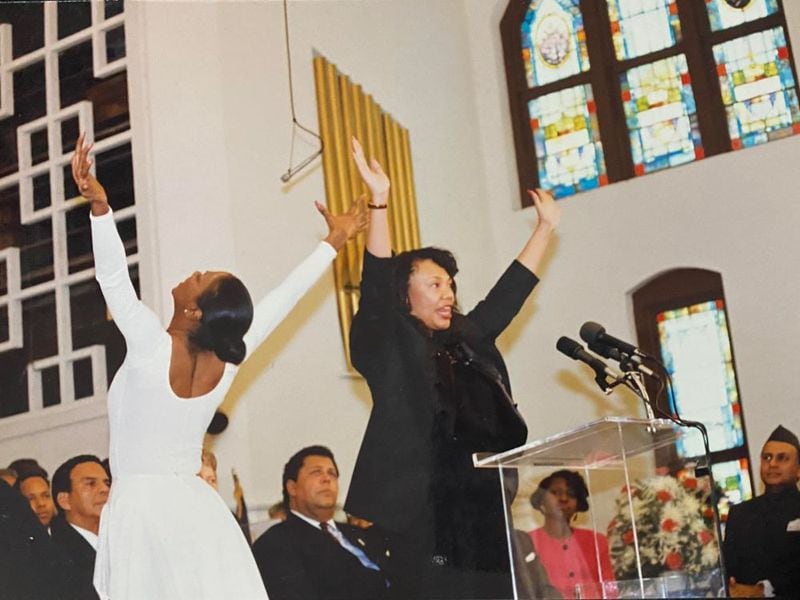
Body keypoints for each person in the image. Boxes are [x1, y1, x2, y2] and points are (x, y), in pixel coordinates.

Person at [71, 132, 367, 600]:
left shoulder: (151, 345)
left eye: (201, 279)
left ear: (195, 312)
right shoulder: (228, 361)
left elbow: (112, 277)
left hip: (143, 512)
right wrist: (333, 241)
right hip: (196, 512)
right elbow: (284, 299)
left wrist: (101, 207)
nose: (193, 273)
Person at [344, 138, 560, 599]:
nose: (448, 292)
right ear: (405, 296)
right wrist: (379, 201)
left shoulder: (466, 339)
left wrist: (544, 229)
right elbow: (377, 285)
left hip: (481, 509)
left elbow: (507, 297)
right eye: (435, 283)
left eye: (451, 285)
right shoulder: (387, 343)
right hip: (422, 518)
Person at [252, 446, 391, 600]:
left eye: (332, 473)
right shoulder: (275, 543)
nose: (327, 479)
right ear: (292, 487)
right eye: (316, 472)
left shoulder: (358, 533)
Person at [723, 424, 800, 598]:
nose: (772, 464)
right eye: (767, 457)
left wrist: (761, 591)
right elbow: (728, 568)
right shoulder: (739, 514)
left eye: (782, 458)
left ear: (798, 470)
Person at [528, 470, 614, 599]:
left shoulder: (596, 541)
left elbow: (610, 589)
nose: (563, 499)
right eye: (555, 493)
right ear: (541, 500)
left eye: (571, 494)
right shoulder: (527, 542)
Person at [50, 455, 111, 600]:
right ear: (65, 501)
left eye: (107, 483)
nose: (105, 489)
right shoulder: (55, 556)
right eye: (91, 484)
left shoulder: (123, 538)